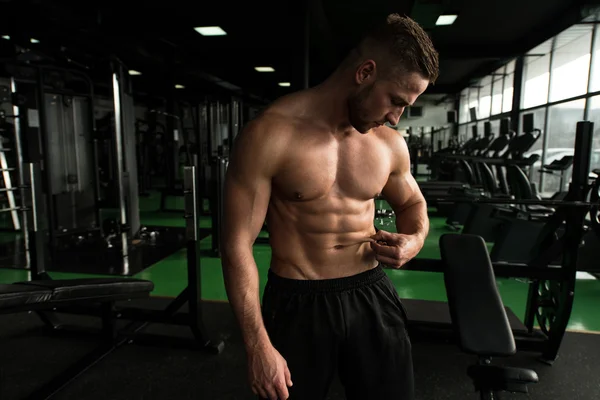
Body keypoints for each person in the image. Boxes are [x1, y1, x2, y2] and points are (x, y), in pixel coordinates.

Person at [221, 13, 439, 400]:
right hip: (297, 303)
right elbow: (237, 244)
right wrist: (257, 347)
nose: (395, 116)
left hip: (370, 293)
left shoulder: (388, 143)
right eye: (395, 101)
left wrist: (415, 240)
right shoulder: (270, 134)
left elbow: (413, 203)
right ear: (365, 72)